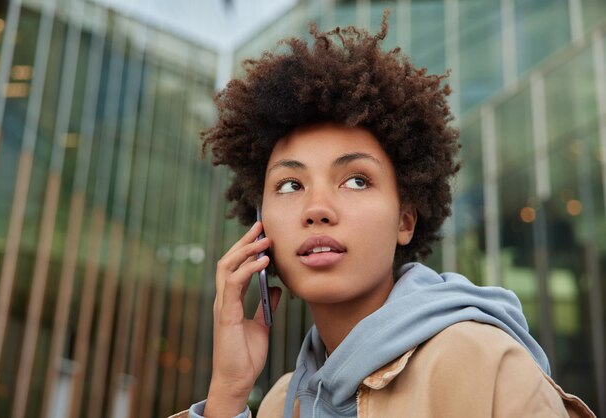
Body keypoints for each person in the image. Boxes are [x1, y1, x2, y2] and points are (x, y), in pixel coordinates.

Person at [172, 12, 596, 418]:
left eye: (356, 180)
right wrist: (228, 391)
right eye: (290, 185)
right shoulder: (281, 402)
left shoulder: (482, 362)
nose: (317, 209)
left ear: (405, 220)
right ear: (260, 225)